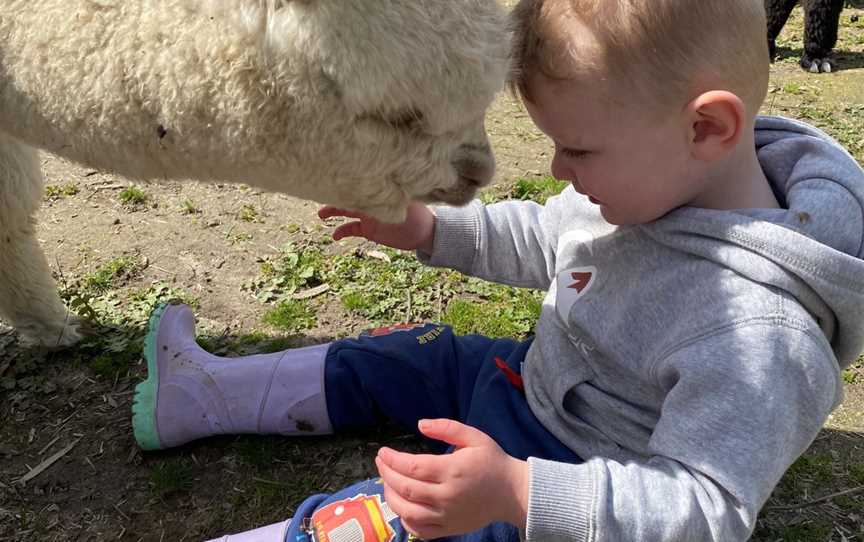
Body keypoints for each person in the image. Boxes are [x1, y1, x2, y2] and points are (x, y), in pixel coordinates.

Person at [130, 0, 864, 540]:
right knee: (419, 354)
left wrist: (518, 492)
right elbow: (546, 237)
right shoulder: (647, 181)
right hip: (533, 380)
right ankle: (203, 394)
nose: (557, 169)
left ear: (706, 127)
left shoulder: (761, 336)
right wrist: (426, 228)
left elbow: (706, 509)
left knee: (397, 522)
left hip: (576, 471)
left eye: (577, 149)